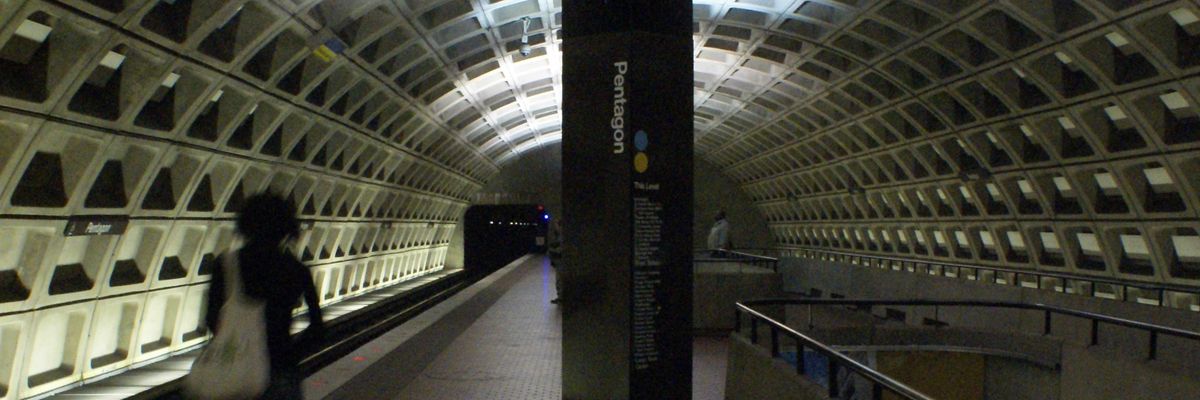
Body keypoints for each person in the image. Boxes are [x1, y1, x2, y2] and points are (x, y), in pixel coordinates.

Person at [205, 193, 324, 399]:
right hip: (280, 371)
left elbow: (211, 319)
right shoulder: (295, 268)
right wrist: (289, 355)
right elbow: (317, 328)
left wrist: (235, 347)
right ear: (286, 228)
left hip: (235, 372)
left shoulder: (226, 265)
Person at [548, 218, 563, 304]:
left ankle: (561, 297)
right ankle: (560, 296)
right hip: (559, 261)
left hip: (560, 261)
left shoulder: (561, 237)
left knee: (560, 280)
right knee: (559, 280)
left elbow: (559, 250)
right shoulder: (559, 236)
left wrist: (552, 250)